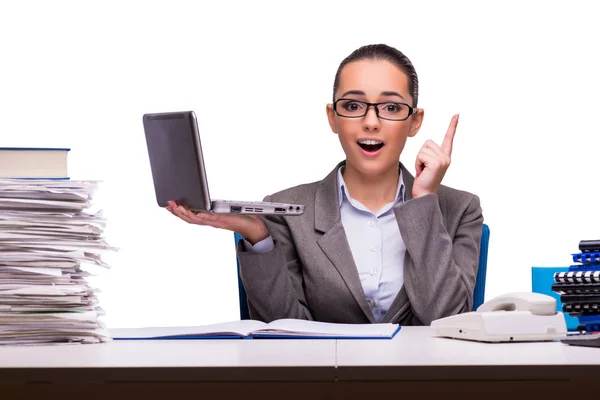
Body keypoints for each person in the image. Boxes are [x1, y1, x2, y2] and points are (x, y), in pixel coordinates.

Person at [166, 43, 484, 326]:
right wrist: (258, 237)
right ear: (332, 117)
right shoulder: (287, 210)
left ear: (415, 121)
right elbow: (283, 333)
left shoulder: (460, 209)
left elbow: (449, 324)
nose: (371, 122)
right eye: (353, 106)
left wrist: (423, 202)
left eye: (390, 107)